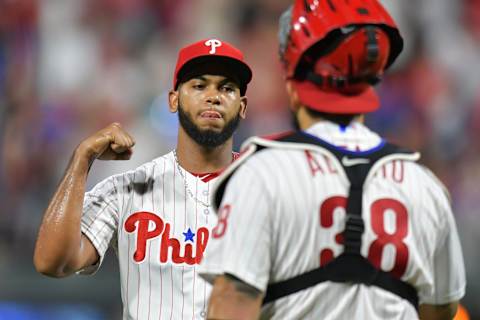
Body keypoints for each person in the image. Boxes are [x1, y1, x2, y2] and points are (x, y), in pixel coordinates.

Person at [199, 1, 466, 319]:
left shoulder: (263, 173)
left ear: (294, 86)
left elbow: (233, 300)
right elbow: (441, 309)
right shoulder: (425, 186)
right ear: (373, 80)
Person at [33, 38, 252, 319]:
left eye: (227, 87)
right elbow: (52, 262)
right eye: (199, 85)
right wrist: (81, 160)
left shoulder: (266, 191)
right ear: (173, 100)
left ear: (242, 106)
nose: (213, 96)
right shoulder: (127, 190)